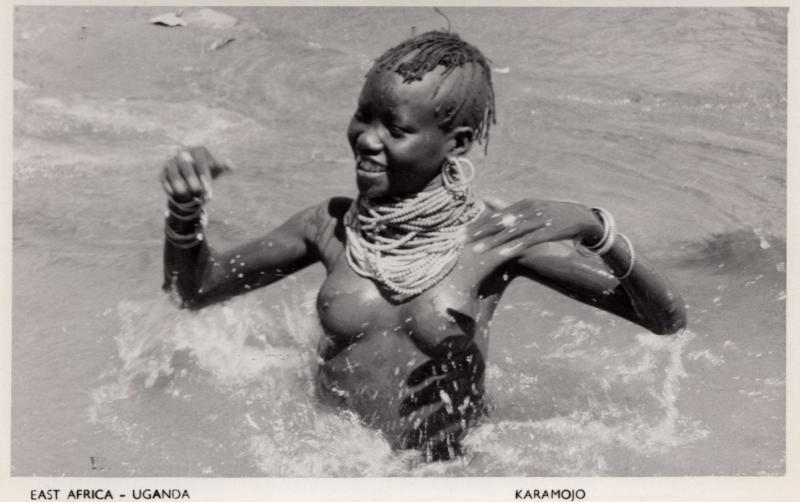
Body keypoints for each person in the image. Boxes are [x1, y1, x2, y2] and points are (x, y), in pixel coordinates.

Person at [159, 30, 686, 462]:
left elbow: (665, 321)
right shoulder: (330, 225)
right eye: (364, 116)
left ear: (454, 143)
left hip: (443, 476)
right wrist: (185, 214)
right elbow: (197, 291)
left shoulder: (497, 239)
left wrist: (599, 231)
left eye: (395, 128)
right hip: (328, 464)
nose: (367, 138)